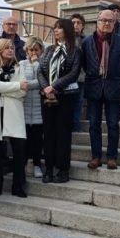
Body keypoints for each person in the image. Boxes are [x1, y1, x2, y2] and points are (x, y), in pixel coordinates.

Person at [81, 9, 120, 170]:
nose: (106, 23)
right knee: (94, 124)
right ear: (97, 22)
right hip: (93, 86)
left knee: (113, 124)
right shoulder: (87, 41)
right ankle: (96, 157)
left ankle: (112, 157)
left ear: (115, 24)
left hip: (114, 87)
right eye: (103, 20)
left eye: (110, 21)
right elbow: (85, 64)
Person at [38, 19, 81, 184]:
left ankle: (63, 169)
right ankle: (48, 169)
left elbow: (74, 73)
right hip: (48, 98)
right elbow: (40, 71)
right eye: (54, 28)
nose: (56, 31)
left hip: (66, 97)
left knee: (63, 134)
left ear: (67, 30)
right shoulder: (49, 50)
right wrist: (45, 89)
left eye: (59, 28)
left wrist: (54, 87)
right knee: (48, 133)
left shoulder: (75, 51)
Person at [0, 39, 29, 197]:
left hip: (14, 113)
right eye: (7, 48)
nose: (11, 50)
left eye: (12, 47)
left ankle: (18, 186)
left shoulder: (19, 67)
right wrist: (16, 86)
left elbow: (24, 91)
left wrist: (2, 90)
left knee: (19, 151)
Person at [20, 37, 45, 179]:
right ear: (26, 51)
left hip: (38, 110)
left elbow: (43, 81)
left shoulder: (43, 63)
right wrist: (29, 84)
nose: (33, 53)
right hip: (23, 108)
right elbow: (21, 81)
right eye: (31, 50)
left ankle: (36, 164)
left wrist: (36, 64)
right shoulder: (21, 64)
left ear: (41, 50)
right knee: (24, 140)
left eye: (36, 50)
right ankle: (22, 165)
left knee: (37, 140)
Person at [71, 13, 86, 131]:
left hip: (81, 77)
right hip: (66, 77)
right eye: (73, 23)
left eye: (78, 23)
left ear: (82, 26)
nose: (75, 25)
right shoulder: (65, 40)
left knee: (79, 101)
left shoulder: (86, 40)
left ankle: (75, 125)